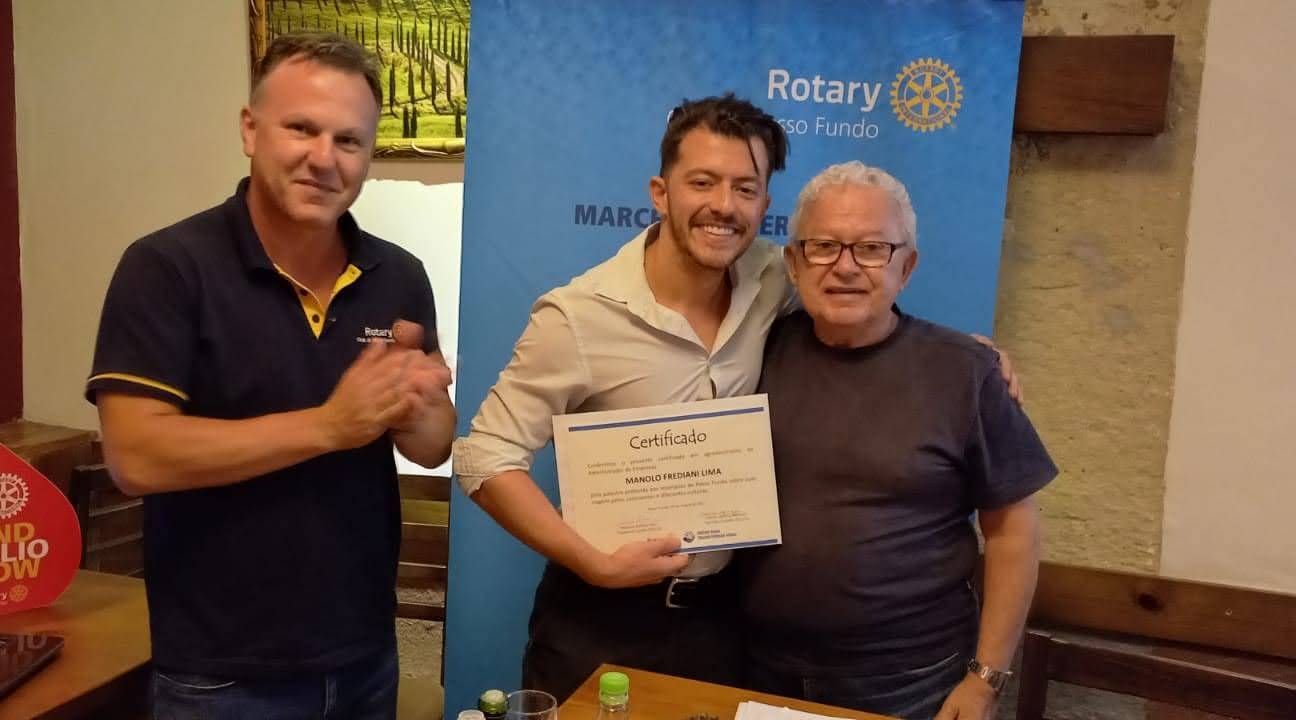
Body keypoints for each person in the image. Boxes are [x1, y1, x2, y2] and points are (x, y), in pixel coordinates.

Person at [452, 95, 1021, 700]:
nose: (723, 206)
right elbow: (484, 455)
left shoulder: (776, 278)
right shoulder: (578, 316)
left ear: (765, 205)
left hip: (724, 626)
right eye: (703, 182)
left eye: (745, 188)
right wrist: (591, 561)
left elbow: (859, 291)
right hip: (599, 618)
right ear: (661, 191)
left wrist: (971, 356)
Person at [85, 33, 454, 719]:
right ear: (251, 131)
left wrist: (422, 406)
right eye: (301, 129)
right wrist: (328, 425)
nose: (324, 158)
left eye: (349, 141)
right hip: (222, 675)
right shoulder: (167, 268)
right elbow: (136, 456)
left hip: (365, 655)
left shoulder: (398, 275)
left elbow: (431, 446)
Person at [737, 161, 1055, 720]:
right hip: (754, 667)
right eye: (824, 246)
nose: (845, 267)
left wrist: (985, 680)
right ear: (793, 262)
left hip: (911, 682)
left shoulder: (966, 372)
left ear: (906, 268)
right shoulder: (750, 355)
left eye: (872, 249)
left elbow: (1013, 532)